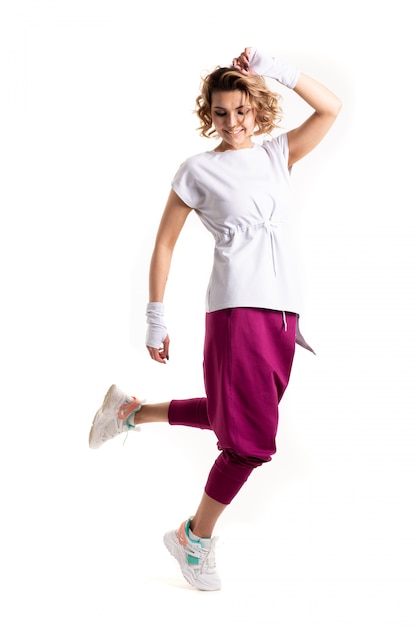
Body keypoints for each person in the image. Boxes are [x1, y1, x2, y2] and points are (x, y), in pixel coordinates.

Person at [89, 46, 342, 591]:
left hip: (281, 312)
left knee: (237, 416)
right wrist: (156, 317)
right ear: (209, 114)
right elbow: (164, 244)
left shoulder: (277, 155)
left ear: (256, 107)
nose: (232, 122)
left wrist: (278, 68)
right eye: (221, 113)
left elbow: (330, 109)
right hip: (237, 309)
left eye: (241, 110)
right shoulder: (198, 170)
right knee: (251, 443)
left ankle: (130, 411)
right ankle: (192, 539)